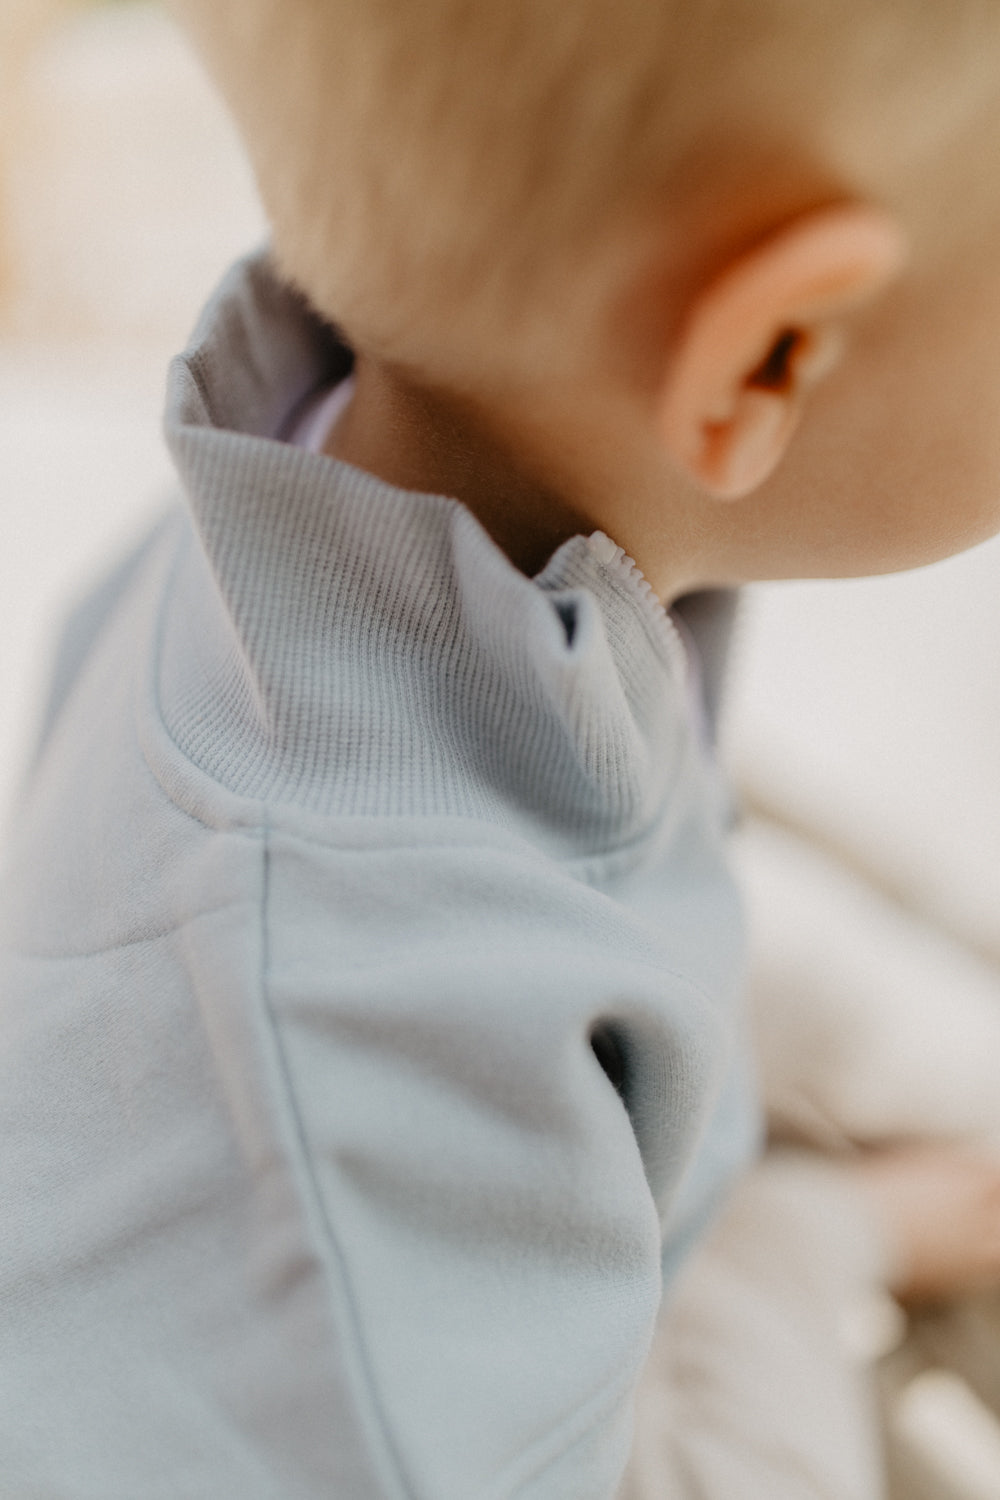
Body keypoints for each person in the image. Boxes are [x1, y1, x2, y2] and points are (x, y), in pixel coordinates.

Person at [4, 1, 1000, 1495]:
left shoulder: (280, 495)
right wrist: (817, 1234)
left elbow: (646, 918)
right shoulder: (405, 1109)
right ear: (769, 357)